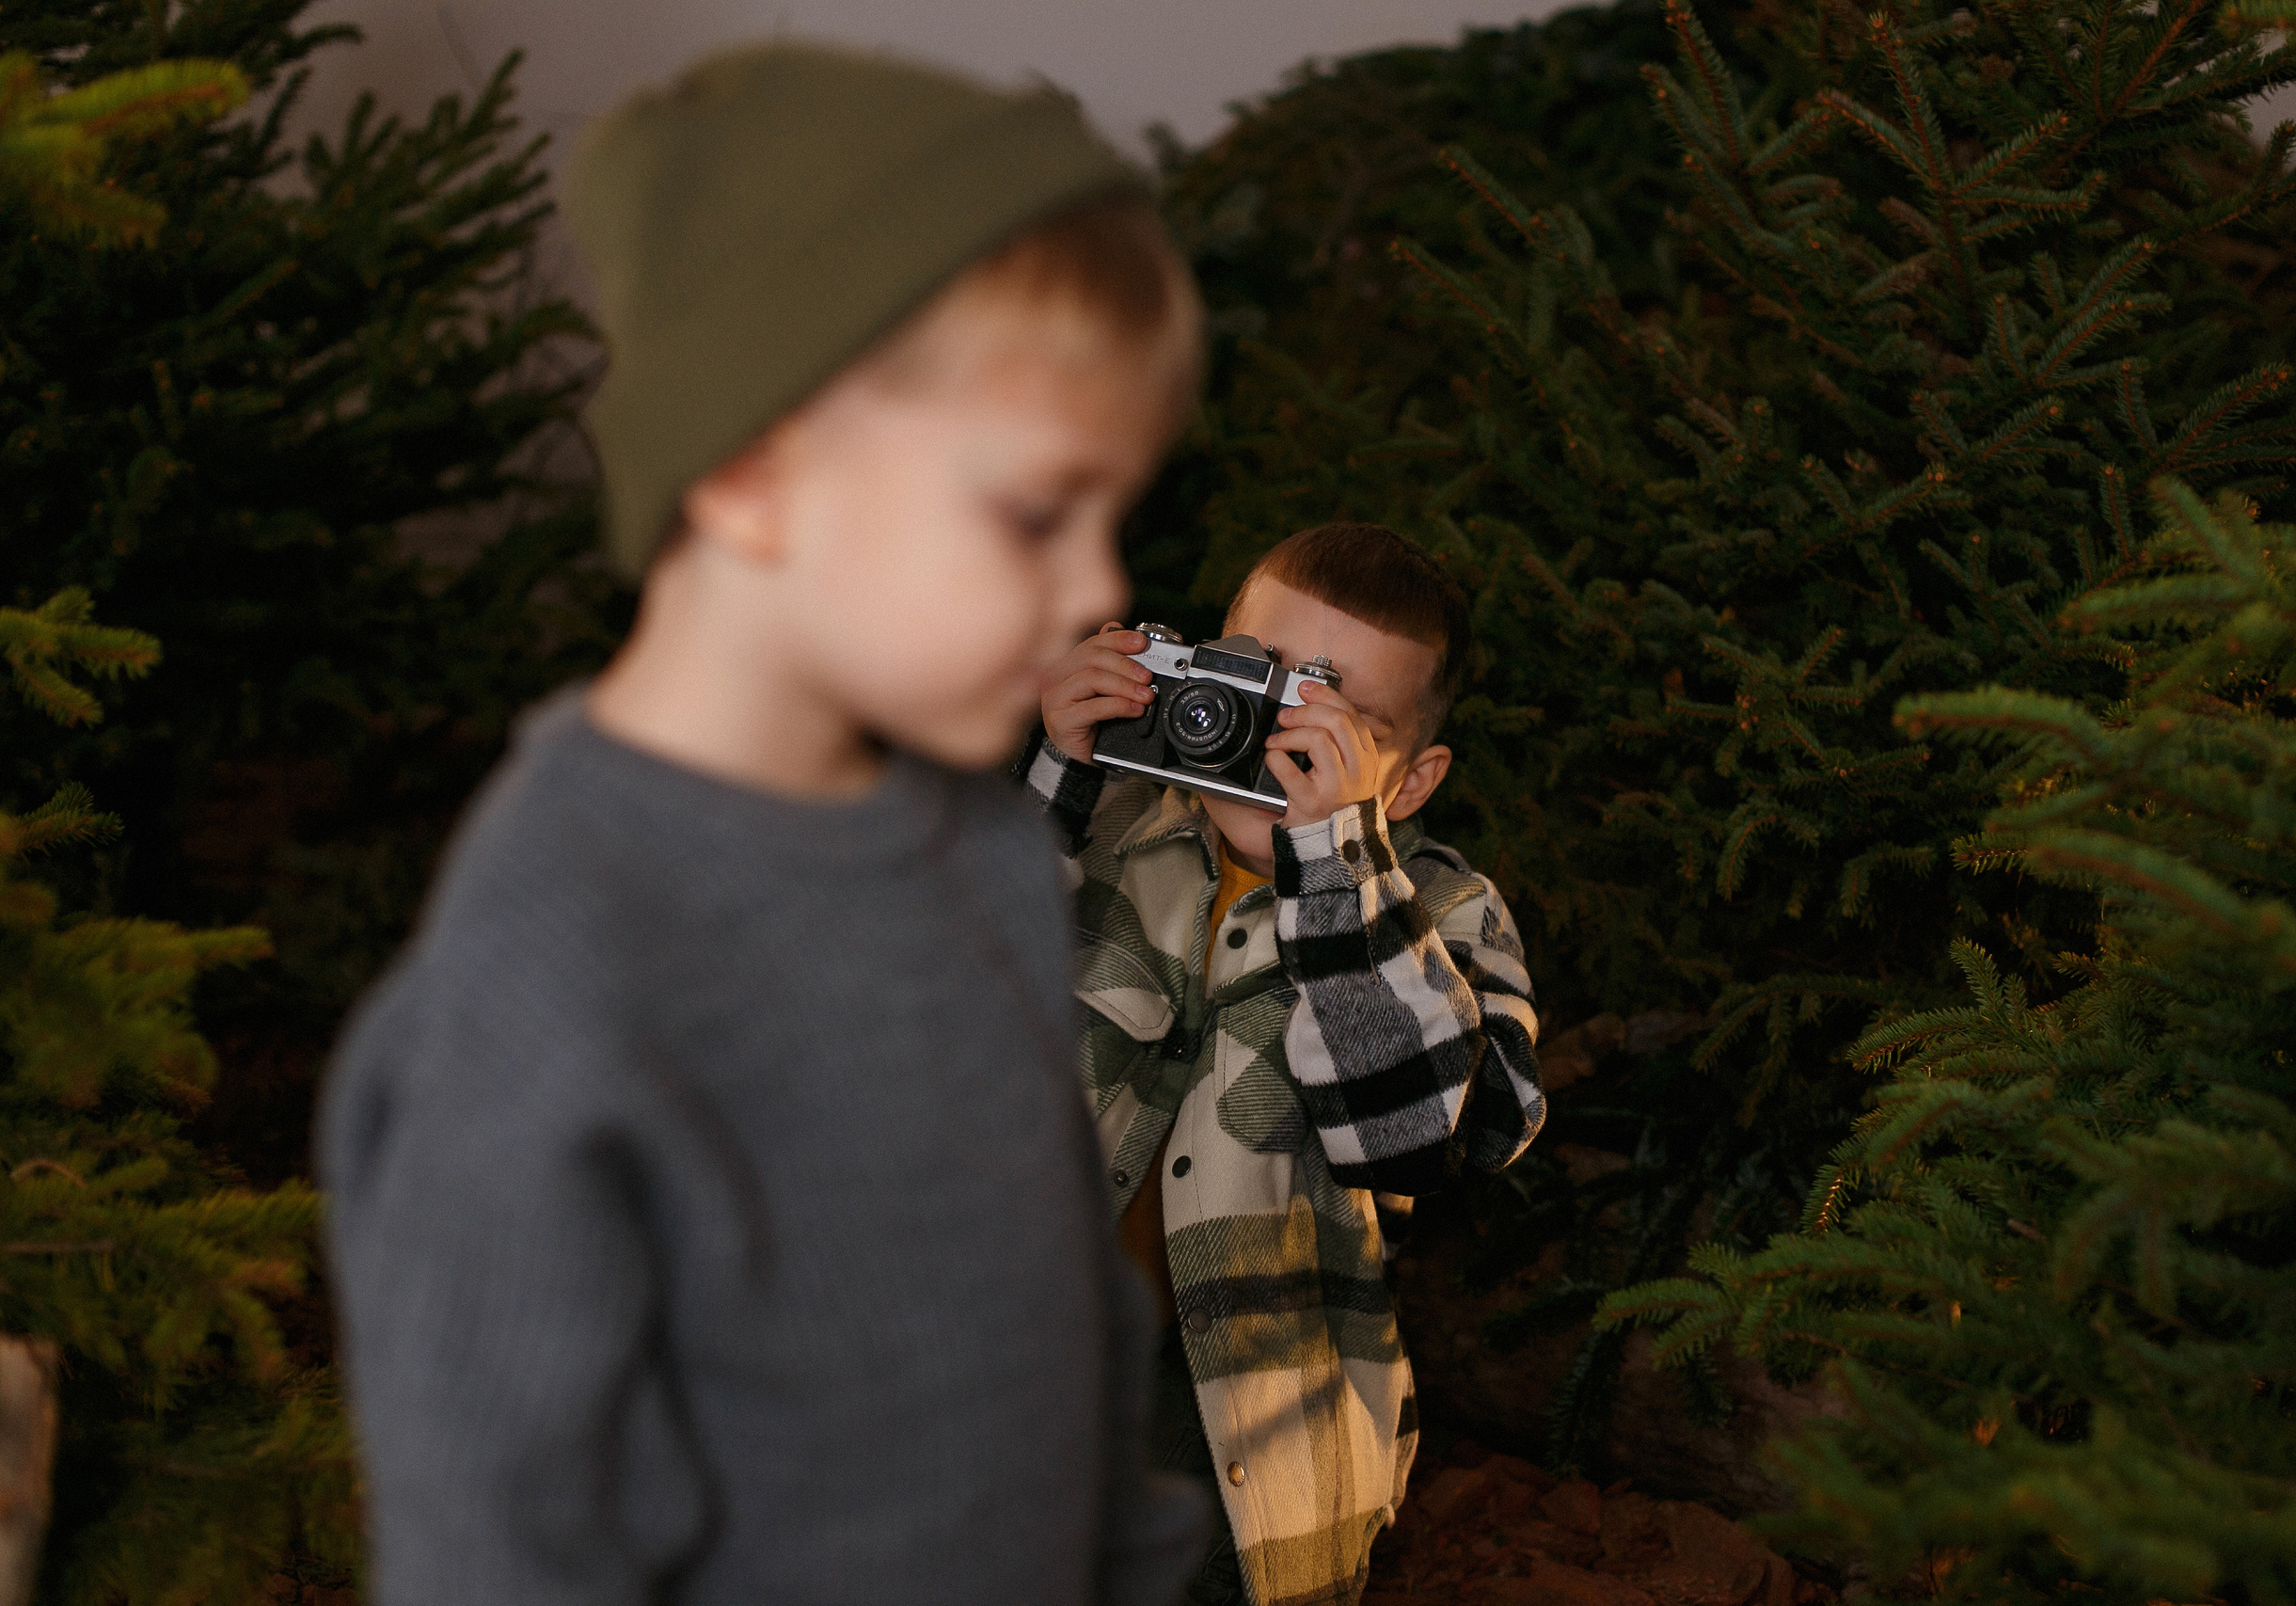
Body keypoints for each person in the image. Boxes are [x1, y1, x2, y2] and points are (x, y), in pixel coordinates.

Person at [315, 42, 1210, 1606]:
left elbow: (1074, 1313)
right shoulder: (559, 951)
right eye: (1035, 511)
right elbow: (501, 1538)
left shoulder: (984, 850)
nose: (1099, 587)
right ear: (752, 472)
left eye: (1112, 516)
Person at [1024, 522, 1547, 1606]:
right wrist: (1056, 779)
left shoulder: (1449, 915)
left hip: (1241, 1430)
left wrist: (1336, 865)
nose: (1279, 736)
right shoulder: (1102, 825)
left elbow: (1416, 1141)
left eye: (1337, 720)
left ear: (1412, 782)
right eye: (1260, 680)